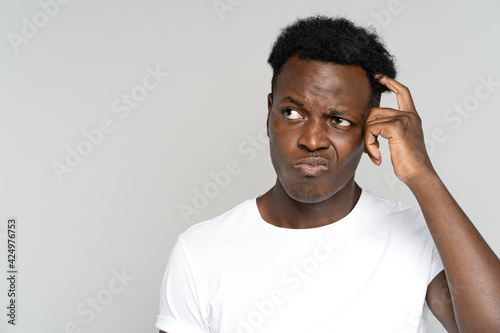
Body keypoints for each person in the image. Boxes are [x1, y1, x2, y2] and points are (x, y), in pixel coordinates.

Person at [156, 16, 500, 333]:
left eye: (339, 120)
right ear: (269, 114)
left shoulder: (418, 235)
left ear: (370, 130)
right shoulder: (200, 251)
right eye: (292, 113)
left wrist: (423, 176)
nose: (312, 140)